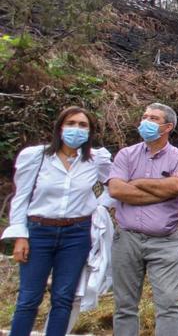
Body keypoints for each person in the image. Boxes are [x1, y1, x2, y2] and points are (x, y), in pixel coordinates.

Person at [2, 106, 111, 336]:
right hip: (39, 231)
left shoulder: (94, 161)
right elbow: (21, 197)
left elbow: (107, 189)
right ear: (60, 126)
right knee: (29, 298)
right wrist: (20, 235)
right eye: (71, 123)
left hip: (76, 234)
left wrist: (98, 206)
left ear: (90, 132)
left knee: (64, 297)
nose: (76, 129)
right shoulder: (38, 157)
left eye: (83, 125)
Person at [107, 102, 178, 336]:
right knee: (124, 305)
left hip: (164, 241)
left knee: (168, 303)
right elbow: (116, 190)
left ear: (168, 127)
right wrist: (160, 192)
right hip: (126, 239)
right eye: (144, 116)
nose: (145, 121)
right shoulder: (126, 154)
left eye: (153, 118)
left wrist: (137, 183)